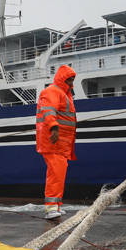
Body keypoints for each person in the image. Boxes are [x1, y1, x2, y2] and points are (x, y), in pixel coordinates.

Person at [35, 65, 77, 220]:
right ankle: (51, 208)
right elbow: (48, 111)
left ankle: (56, 205)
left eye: (72, 79)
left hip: (61, 144)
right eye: (69, 79)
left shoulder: (65, 94)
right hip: (53, 142)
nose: (72, 82)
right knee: (55, 174)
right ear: (62, 79)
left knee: (59, 173)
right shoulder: (53, 92)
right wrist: (53, 128)